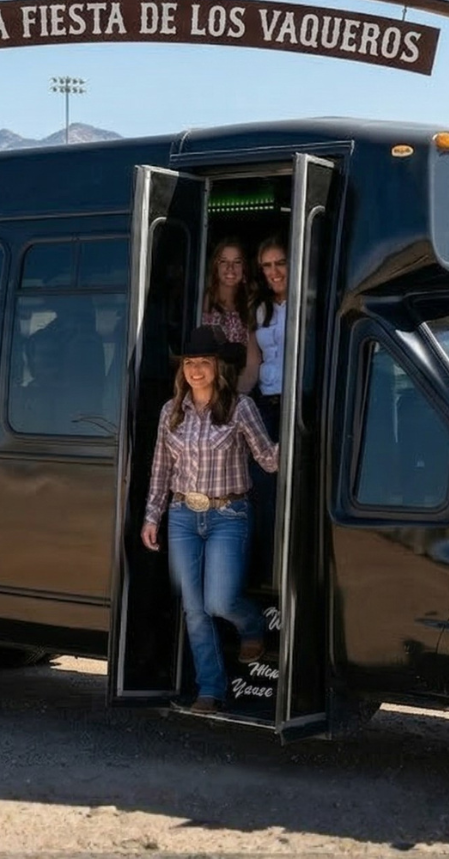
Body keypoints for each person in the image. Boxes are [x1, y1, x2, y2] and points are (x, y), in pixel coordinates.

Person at [138, 325, 279, 714]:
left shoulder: (240, 407)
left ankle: (253, 627)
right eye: (189, 363)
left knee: (219, 601)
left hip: (228, 514)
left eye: (203, 362)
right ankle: (210, 690)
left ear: (218, 366)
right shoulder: (171, 411)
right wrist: (153, 516)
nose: (195, 370)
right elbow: (160, 470)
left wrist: (297, 443)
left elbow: (267, 460)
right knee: (194, 609)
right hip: (183, 515)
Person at [200, 237, 261, 394]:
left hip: (238, 390)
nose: (230, 268)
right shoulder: (202, 301)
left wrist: (234, 398)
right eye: (223, 262)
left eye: (237, 262)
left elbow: (252, 366)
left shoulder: (251, 306)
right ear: (215, 267)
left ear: (244, 269)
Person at [251, 237, 289, 434]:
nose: (274, 272)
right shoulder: (260, 309)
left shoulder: (308, 305)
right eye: (267, 266)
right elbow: (253, 363)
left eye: (281, 263)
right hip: (266, 402)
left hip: (297, 403)